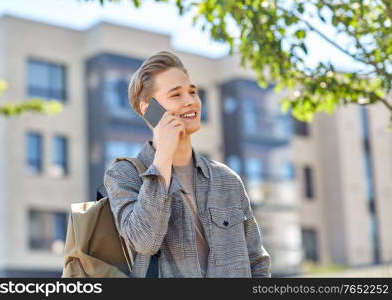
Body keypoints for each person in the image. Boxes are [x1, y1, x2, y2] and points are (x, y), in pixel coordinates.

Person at [104, 51, 271, 278]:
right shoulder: (123, 175)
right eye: (176, 95)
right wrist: (163, 155)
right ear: (149, 109)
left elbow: (257, 261)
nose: (190, 101)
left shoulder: (227, 180)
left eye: (193, 92)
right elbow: (144, 241)